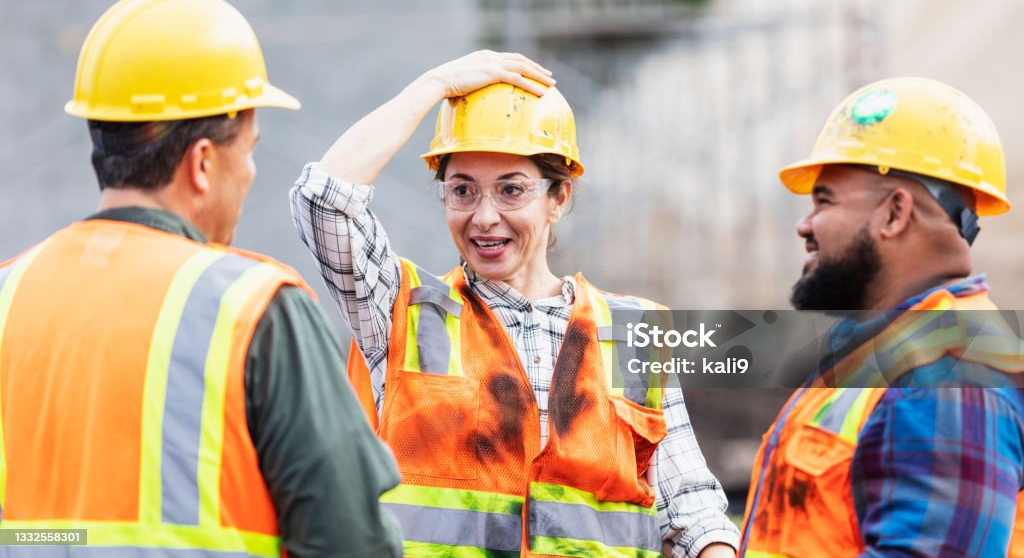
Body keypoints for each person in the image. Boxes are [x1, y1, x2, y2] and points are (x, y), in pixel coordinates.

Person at [0, 0, 402, 558]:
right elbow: (350, 544)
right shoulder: (255, 309)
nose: (252, 172)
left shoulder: (9, 296)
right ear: (204, 163)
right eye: (250, 150)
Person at [289, 50, 739, 558]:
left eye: (511, 191)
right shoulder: (403, 312)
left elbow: (689, 511)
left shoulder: (632, 329)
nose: (484, 217)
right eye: (462, 190)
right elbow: (322, 200)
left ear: (559, 198)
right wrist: (436, 83)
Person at [738, 77, 1024, 557]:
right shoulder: (889, 348)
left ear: (894, 214)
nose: (804, 225)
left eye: (824, 200)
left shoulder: (952, 367)